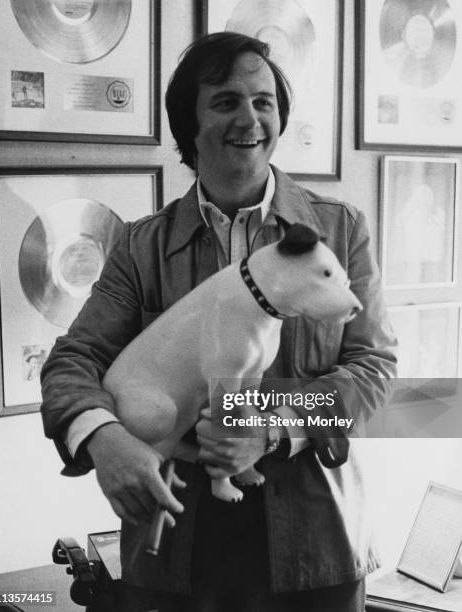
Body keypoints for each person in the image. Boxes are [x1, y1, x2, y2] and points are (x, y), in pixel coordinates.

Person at [41, 32, 397, 612]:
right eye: (226, 101)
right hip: (175, 553)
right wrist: (103, 438)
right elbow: (72, 361)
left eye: (264, 101)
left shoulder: (341, 230)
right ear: (190, 124)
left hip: (318, 549)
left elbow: (375, 370)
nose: (250, 118)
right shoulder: (140, 246)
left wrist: (273, 425)